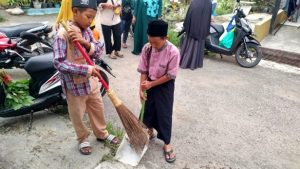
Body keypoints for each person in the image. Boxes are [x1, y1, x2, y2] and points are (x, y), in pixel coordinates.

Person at [53, 0, 120, 155]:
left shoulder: (87, 31)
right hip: (74, 86)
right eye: (88, 16)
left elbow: (98, 51)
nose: (90, 21)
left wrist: (85, 43)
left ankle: (101, 133)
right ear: (75, 12)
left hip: (92, 83)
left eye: (93, 18)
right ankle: (82, 138)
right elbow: (58, 63)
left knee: (98, 108)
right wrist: (87, 69)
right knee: (77, 114)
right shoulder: (62, 34)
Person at [137, 20, 180, 163]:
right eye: (150, 41)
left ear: (165, 38)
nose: (152, 46)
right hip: (149, 81)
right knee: (148, 109)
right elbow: (143, 69)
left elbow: (170, 75)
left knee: (164, 113)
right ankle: (149, 132)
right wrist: (141, 88)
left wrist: (152, 84)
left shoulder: (173, 52)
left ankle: (167, 144)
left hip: (164, 84)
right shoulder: (147, 48)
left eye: (156, 43)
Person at [180, 0, 212, 70]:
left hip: (193, 28)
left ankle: (186, 62)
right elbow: (208, 18)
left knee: (190, 45)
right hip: (201, 30)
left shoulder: (195, 1)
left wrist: (185, 26)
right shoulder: (209, 3)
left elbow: (189, 15)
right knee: (198, 45)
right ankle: (196, 63)